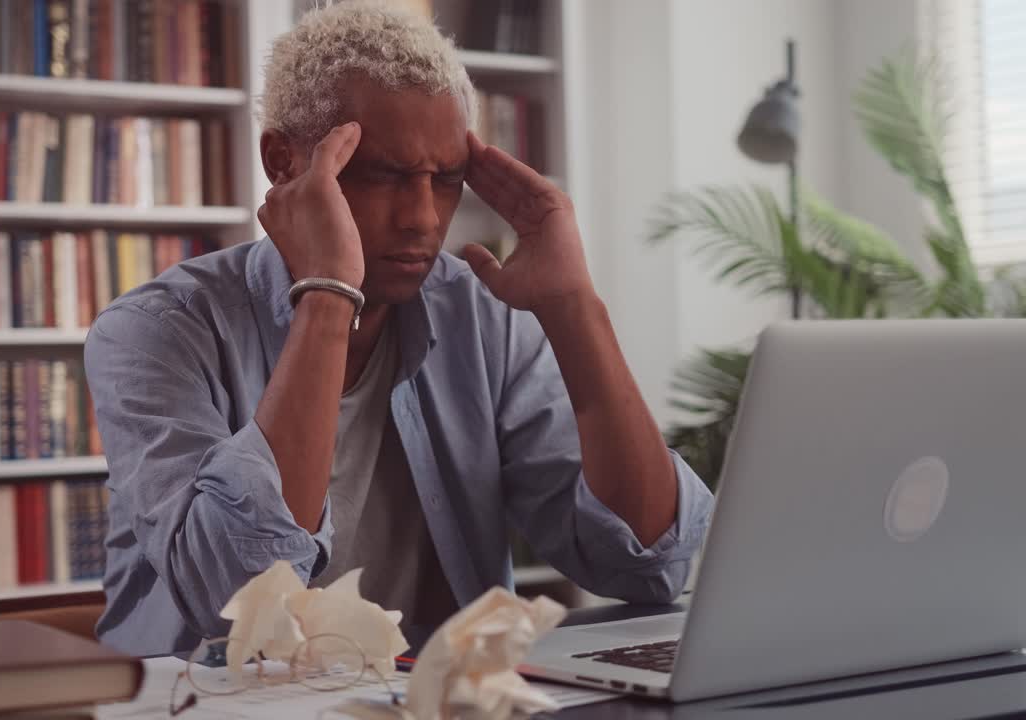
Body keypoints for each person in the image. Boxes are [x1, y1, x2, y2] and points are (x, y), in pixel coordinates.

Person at [84, 0, 713, 656]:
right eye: (385, 176)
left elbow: (649, 566)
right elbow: (238, 596)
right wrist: (327, 295)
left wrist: (576, 310)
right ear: (283, 163)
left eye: (445, 180)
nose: (423, 217)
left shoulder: (481, 316)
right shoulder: (154, 332)